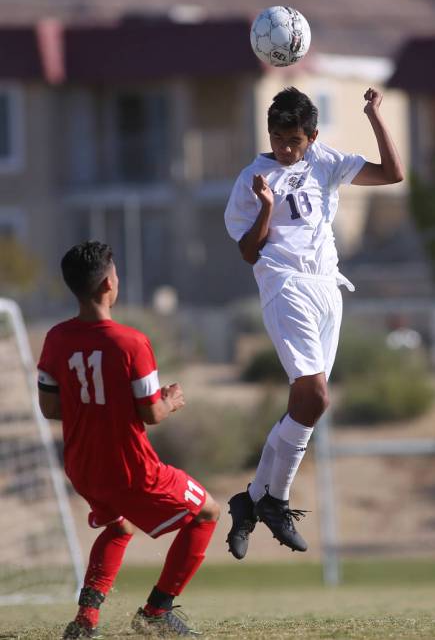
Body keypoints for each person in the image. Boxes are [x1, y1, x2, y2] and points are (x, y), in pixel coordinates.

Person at [224, 86, 403, 560]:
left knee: (306, 402)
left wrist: (374, 116)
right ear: (269, 134)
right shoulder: (252, 178)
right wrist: (265, 206)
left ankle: (251, 500)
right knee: (317, 395)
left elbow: (393, 173)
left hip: (328, 287)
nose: (285, 148)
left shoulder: (325, 161)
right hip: (284, 285)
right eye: (278, 138)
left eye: (294, 140)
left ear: (312, 136)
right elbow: (247, 252)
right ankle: (276, 501)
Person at [37, 241, 220, 638]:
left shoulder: (56, 339)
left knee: (120, 527)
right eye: (116, 275)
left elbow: (50, 409)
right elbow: (151, 413)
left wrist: (96, 409)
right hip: (132, 467)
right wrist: (171, 401)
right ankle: (156, 612)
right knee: (208, 512)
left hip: (83, 466)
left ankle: (85, 621)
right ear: (108, 284)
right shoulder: (131, 342)